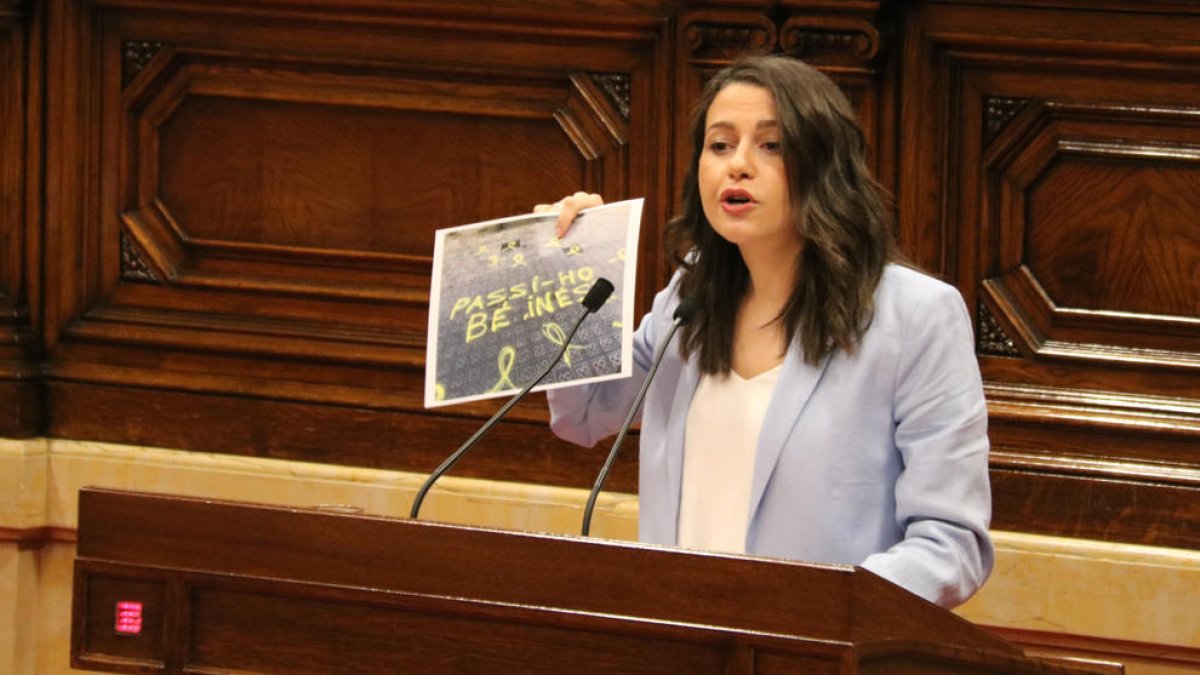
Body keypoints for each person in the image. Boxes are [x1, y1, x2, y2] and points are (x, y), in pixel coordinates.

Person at [536, 55, 992, 608]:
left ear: (825, 165)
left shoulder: (916, 317)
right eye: (720, 145)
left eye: (772, 146)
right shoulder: (690, 298)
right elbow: (584, 414)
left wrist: (818, 611)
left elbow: (950, 544)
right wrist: (569, 274)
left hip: (816, 652)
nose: (738, 166)